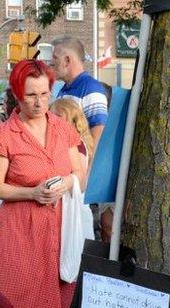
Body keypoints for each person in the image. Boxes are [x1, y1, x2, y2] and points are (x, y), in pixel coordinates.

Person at [0, 59, 87, 308]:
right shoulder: (4, 135)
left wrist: (66, 183)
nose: (39, 101)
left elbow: (80, 173)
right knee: (16, 295)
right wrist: (31, 191)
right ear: (16, 94)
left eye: (44, 93)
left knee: (54, 292)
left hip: (58, 224)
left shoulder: (61, 127)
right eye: (30, 95)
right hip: (19, 225)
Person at [51, 36, 112, 240]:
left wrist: (85, 177)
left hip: (78, 179)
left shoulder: (91, 88)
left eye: (55, 57)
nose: (51, 63)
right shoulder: (64, 90)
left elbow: (97, 133)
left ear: (68, 60)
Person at [50, 97, 96, 239]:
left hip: (74, 210)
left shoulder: (77, 145)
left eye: (57, 117)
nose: (52, 121)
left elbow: (79, 182)